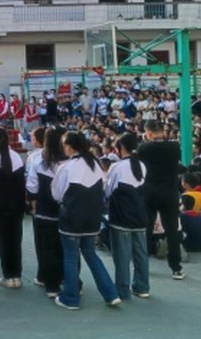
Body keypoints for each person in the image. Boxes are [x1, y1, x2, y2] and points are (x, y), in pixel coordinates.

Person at [52, 131, 121, 310]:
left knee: (70, 257)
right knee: (91, 255)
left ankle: (71, 298)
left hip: (71, 218)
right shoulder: (95, 165)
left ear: (68, 146)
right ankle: (111, 294)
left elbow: (57, 194)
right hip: (92, 219)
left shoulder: (67, 167)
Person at [136, 120, 185, 280]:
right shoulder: (174, 147)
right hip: (169, 193)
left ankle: (142, 265)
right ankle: (176, 268)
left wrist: (145, 141)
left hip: (149, 192)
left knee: (146, 229)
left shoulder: (144, 148)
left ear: (148, 133)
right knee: (172, 230)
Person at [105, 133, 150, 300]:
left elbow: (108, 191)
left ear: (121, 147)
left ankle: (122, 290)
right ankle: (142, 287)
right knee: (141, 253)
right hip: (140, 215)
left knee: (122, 256)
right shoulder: (142, 166)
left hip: (121, 216)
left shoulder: (116, 167)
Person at [0, 127, 26, 289]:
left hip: (0, 205)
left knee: (4, 241)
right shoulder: (16, 156)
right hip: (17, 205)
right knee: (16, 240)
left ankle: (8, 276)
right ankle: (17, 276)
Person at [27, 126, 66, 298]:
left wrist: (34, 205)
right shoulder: (70, 161)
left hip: (44, 211)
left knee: (47, 248)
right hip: (66, 212)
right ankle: (71, 281)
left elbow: (32, 186)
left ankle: (50, 284)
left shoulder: (38, 159)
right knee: (68, 249)